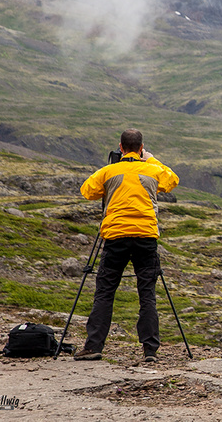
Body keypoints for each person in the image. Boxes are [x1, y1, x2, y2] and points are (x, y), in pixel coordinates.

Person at [74, 129, 179, 362]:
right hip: (145, 237)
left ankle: (94, 346)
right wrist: (150, 159)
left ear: (120, 148)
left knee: (105, 292)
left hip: (115, 237)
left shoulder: (109, 171)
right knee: (147, 294)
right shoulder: (152, 170)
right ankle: (150, 350)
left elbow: (87, 191)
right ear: (141, 148)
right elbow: (172, 180)